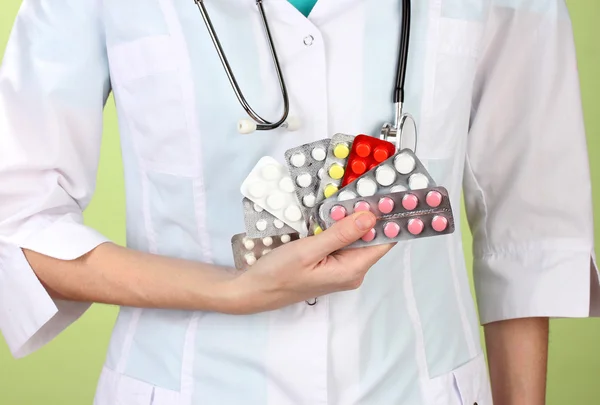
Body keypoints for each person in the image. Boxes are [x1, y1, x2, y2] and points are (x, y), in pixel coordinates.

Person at [0, 0, 597, 404]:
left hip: (422, 385)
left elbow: (527, 232)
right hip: (187, 386)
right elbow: (15, 217)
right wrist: (230, 291)